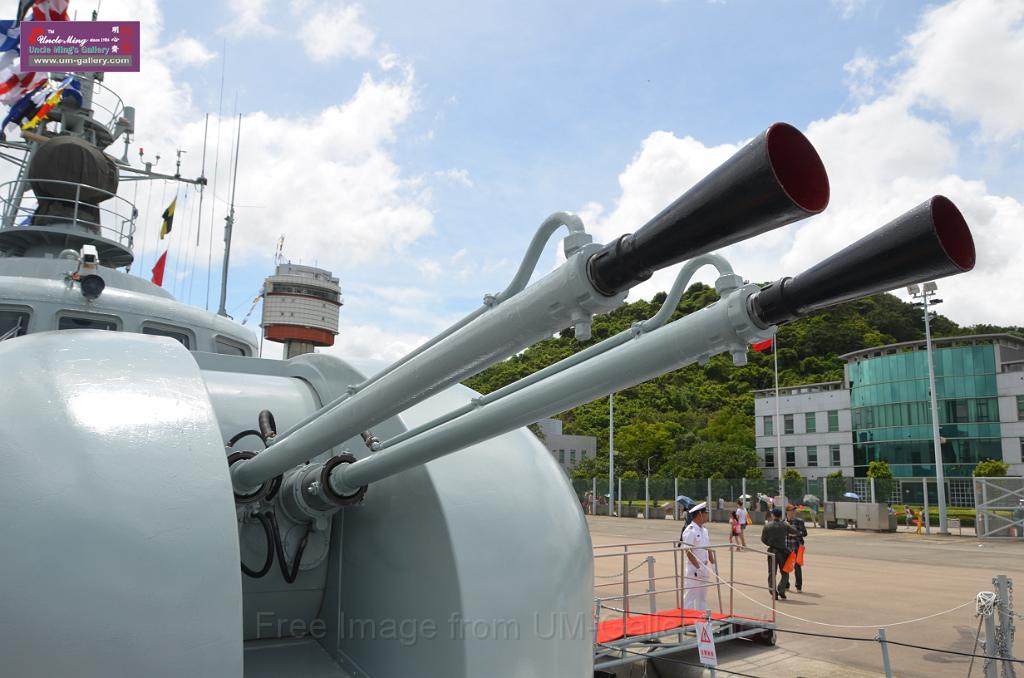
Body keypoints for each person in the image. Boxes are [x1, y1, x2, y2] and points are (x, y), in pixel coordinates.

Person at [682, 502, 715, 614]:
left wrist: (713, 564)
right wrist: (697, 567)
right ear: (699, 514)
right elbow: (688, 551)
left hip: (705, 567)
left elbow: (708, 548)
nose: (707, 515)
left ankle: (701, 621)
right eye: (706, 513)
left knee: (702, 597)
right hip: (694, 568)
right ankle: (687, 621)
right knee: (690, 596)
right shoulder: (690, 530)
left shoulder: (704, 531)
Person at [761, 507, 798, 600]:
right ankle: (781, 590)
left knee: (772, 573)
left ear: (773, 515)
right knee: (785, 572)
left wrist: (770, 543)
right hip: (782, 551)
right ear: (781, 515)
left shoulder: (767, 526)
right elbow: (795, 531)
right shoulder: (784, 525)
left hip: (772, 551)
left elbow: (763, 539)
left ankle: (773, 592)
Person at [784, 504, 808, 592]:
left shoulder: (799, 521)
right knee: (785, 567)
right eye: (791, 511)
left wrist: (796, 534)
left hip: (797, 547)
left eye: (794, 511)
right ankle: (786, 585)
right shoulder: (783, 522)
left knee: (797, 567)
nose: (793, 512)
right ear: (787, 512)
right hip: (786, 547)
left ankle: (798, 587)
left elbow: (805, 533)